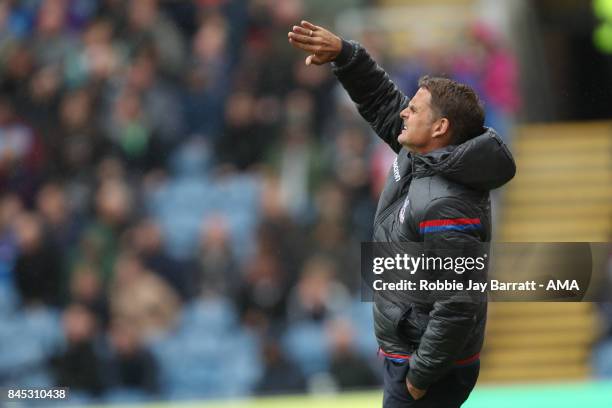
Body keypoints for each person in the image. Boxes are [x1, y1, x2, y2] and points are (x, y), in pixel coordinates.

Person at [288, 21, 516, 407]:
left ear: (440, 127)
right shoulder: (423, 154)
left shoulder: (450, 201)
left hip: (428, 367)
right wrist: (345, 54)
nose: (405, 113)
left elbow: (458, 301)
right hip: (411, 356)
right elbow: (381, 101)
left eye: (415, 108)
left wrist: (418, 378)